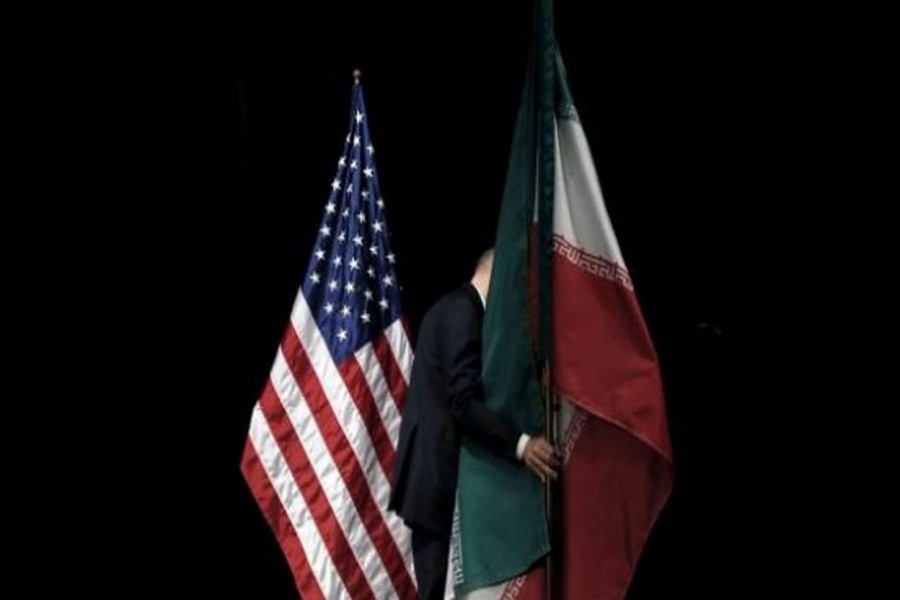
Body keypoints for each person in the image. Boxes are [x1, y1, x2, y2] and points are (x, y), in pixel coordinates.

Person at [389, 249, 559, 600]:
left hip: (436, 482)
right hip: (439, 483)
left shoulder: (457, 310)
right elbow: (463, 403)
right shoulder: (461, 311)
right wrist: (522, 444)